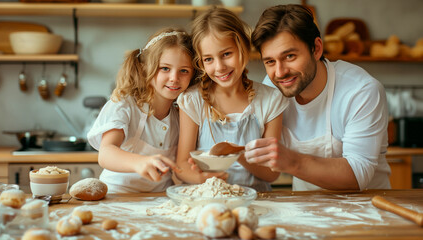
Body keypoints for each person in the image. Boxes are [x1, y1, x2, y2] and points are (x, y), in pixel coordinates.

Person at [246, 4, 391, 191]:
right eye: (270, 62)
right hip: (307, 211)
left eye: (289, 56)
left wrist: (292, 161)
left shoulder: (360, 91)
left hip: (368, 211)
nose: (280, 72)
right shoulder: (271, 88)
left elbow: (358, 175)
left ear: (316, 49)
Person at [175, 7, 289, 192]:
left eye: (226, 54)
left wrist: (238, 154)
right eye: (209, 59)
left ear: (243, 47)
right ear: (201, 62)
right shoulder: (192, 101)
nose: (219, 67)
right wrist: (202, 177)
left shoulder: (270, 99)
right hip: (206, 201)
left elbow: (272, 173)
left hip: (256, 202)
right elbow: (181, 164)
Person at [87, 28, 196, 193]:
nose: (174, 78)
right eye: (165, 68)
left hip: (159, 199)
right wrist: (139, 162)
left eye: (184, 71)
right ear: (146, 68)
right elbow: (106, 153)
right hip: (117, 196)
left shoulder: (182, 114)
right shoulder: (126, 104)